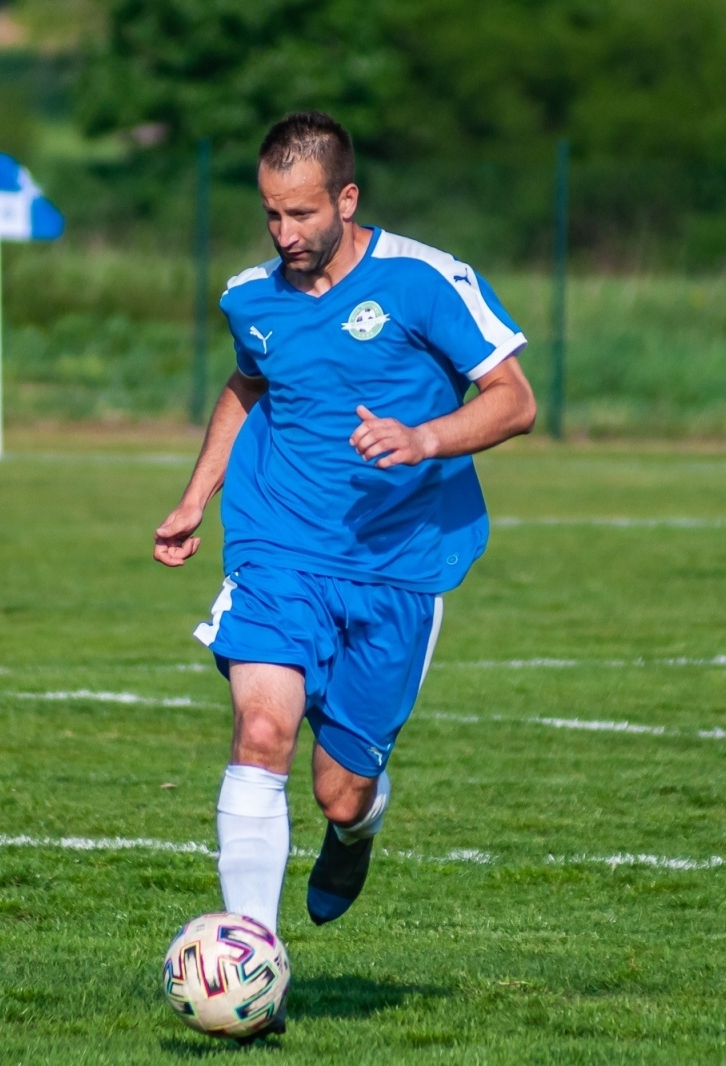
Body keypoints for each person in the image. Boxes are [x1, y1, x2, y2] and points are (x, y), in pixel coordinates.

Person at [153, 110, 536, 1034]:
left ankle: (355, 830)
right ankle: (254, 969)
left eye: (302, 215)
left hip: (400, 566)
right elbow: (248, 385)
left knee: (339, 788)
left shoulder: (423, 280)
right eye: (270, 215)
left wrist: (425, 437)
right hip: (278, 548)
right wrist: (195, 496)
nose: (285, 235)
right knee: (258, 730)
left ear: (347, 199)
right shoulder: (252, 295)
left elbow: (516, 400)